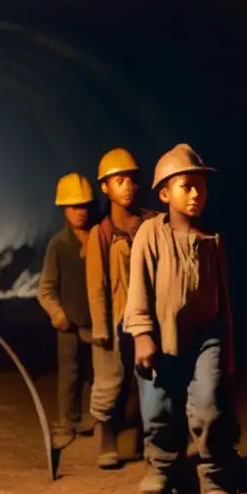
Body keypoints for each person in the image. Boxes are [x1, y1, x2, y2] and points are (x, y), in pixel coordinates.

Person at [124, 144, 237, 494]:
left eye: (200, 187)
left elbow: (223, 294)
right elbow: (137, 285)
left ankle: (214, 475)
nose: (195, 194)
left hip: (207, 336)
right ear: (163, 193)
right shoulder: (149, 235)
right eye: (186, 186)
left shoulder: (214, 238)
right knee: (158, 405)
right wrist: (141, 333)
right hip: (162, 334)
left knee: (208, 405)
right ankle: (161, 465)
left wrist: (227, 346)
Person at [86, 148, 156, 469]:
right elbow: (96, 285)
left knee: (150, 378)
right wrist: (101, 329)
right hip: (115, 319)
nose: (126, 187)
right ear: (105, 187)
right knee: (111, 380)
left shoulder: (153, 224)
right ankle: (107, 439)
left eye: (130, 180)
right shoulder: (100, 233)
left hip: (149, 316)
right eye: (118, 181)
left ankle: (150, 438)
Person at [38, 172, 97, 445]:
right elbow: (46, 288)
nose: (81, 212)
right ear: (64, 209)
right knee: (70, 374)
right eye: (75, 207)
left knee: (95, 373)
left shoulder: (100, 239)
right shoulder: (59, 245)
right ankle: (66, 422)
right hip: (69, 324)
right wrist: (58, 314)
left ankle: (92, 418)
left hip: (97, 323)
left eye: (84, 206)